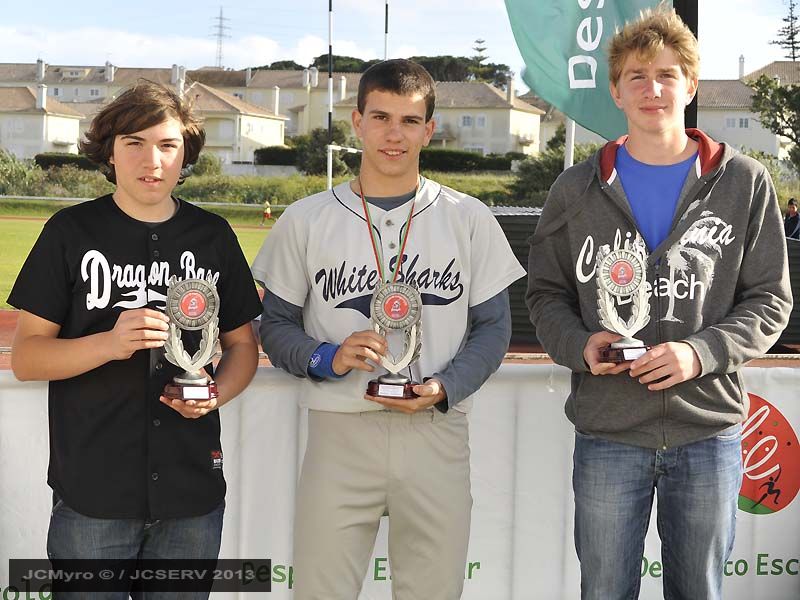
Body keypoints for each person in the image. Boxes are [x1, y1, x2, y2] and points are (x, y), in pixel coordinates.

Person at [526, 8, 791, 600]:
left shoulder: (744, 181)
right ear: (616, 90)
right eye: (638, 76)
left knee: (698, 592)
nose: (653, 89)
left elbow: (769, 300)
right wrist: (580, 345)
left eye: (667, 75)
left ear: (690, 86)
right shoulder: (575, 187)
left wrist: (699, 353)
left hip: (708, 431)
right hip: (609, 432)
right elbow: (545, 295)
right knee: (605, 591)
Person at [251, 59, 525, 600]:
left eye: (409, 120)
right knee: (320, 593)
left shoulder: (469, 217)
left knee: (433, 592)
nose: (393, 134)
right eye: (380, 117)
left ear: (429, 130)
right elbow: (275, 324)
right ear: (357, 123)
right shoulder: (306, 218)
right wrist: (327, 356)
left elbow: (494, 328)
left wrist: (445, 386)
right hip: (340, 427)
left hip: (436, 428)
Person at [9, 81, 262, 597]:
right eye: (135, 143)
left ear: (185, 153)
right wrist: (107, 343)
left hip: (191, 491)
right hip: (93, 494)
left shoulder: (213, 235)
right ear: (110, 152)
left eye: (168, 145)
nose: (153, 160)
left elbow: (243, 346)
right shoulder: (70, 231)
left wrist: (215, 394)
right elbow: (27, 357)